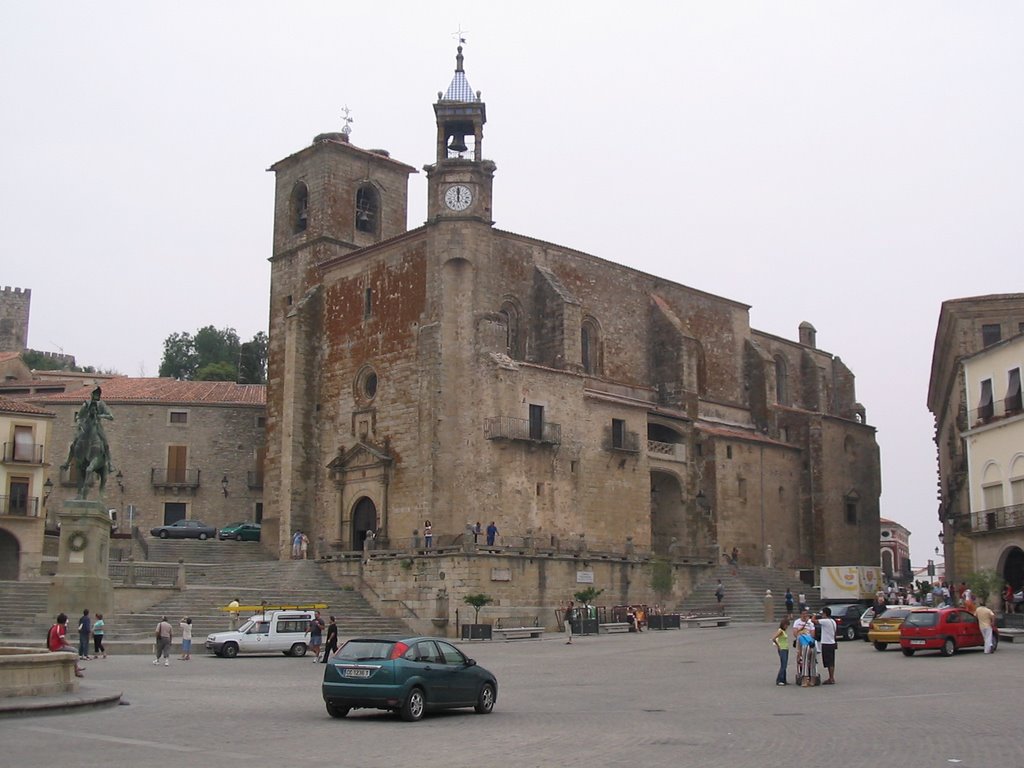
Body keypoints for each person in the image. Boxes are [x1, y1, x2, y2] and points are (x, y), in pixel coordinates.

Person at [48, 613, 85, 677]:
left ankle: (76, 667)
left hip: (55, 646)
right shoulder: (60, 628)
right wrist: (69, 645)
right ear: (64, 621)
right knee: (75, 651)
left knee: (72, 650)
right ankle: (76, 670)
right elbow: (62, 639)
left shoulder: (56, 626)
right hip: (57, 647)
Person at [792, 608, 816, 686]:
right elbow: (795, 633)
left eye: (806, 613)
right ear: (801, 614)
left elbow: (813, 634)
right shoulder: (797, 622)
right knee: (803, 661)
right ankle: (807, 678)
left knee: (809, 661)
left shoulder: (810, 623)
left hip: (809, 643)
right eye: (803, 613)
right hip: (803, 642)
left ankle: (808, 679)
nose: (805, 615)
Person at [818, 606, 838, 685]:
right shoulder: (833, 621)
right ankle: (831, 677)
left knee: (829, 662)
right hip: (832, 642)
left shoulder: (825, 621)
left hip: (827, 643)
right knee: (831, 661)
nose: (822, 615)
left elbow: (814, 621)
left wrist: (814, 616)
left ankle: (831, 678)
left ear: (825, 614)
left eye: (822, 613)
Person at [772, 618, 790, 686]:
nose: (787, 627)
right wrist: (778, 646)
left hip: (785, 648)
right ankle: (779, 680)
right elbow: (774, 638)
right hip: (782, 648)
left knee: (785, 665)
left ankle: (784, 679)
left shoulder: (784, 631)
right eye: (786, 625)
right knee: (783, 665)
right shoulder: (780, 631)